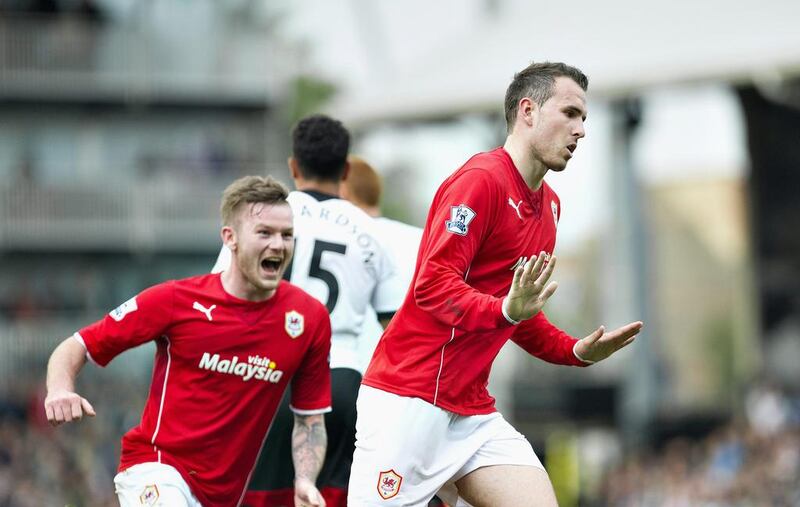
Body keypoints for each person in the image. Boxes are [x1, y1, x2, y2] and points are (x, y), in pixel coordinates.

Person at [348, 61, 644, 507]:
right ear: (528, 111)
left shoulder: (550, 209)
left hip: (471, 411)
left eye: (584, 118)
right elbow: (434, 284)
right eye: (569, 113)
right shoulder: (480, 182)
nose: (581, 129)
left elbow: (519, 314)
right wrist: (506, 309)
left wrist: (573, 351)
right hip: (408, 398)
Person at [44, 176, 332, 507]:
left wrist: (305, 481)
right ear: (230, 238)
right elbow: (77, 345)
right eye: (264, 233)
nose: (278, 245)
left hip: (224, 495)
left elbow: (310, 420)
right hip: (157, 467)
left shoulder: (309, 318)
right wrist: (60, 389)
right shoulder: (175, 300)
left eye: (286, 235)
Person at [212, 116, 403, 507]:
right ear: (346, 170)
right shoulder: (372, 234)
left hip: (266, 374)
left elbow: (221, 301)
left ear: (293, 167)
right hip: (343, 382)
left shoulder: (262, 220)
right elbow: (396, 331)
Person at [339, 155, 423, 372]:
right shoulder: (422, 239)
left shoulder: (340, 237)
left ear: (343, 192)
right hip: (414, 381)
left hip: (350, 372)